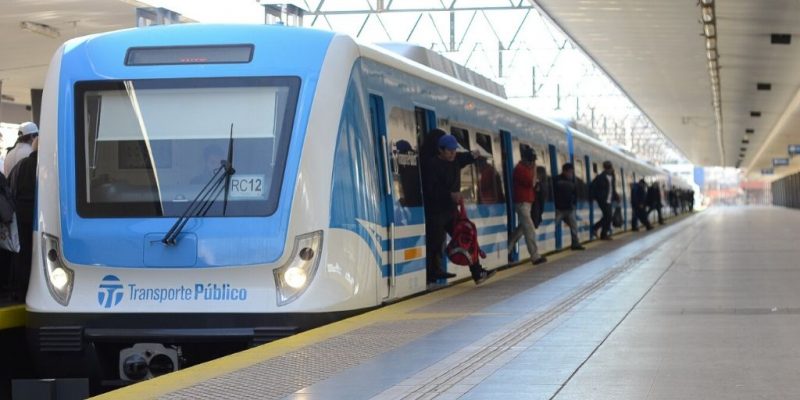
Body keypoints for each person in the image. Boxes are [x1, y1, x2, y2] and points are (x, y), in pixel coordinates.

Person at [421, 131, 495, 284]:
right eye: (449, 151)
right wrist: (450, 195)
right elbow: (431, 189)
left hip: (451, 211)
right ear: (440, 150)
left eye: (454, 150)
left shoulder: (455, 160)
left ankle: (477, 272)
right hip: (436, 211)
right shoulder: (432, 165)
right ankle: (432, 273)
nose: (453, 154)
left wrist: (473, 155)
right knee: (435, 242)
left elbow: (465, 157)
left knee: (467, 237)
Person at [8, 137, 38, 302]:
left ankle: (21, 290)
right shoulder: (44, 165)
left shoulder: (20, 164)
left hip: (20, 215)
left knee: (22, 253)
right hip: (36, 214)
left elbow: (10, 186)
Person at [508, 147, 546, 265]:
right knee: (529, 229)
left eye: (533, 160)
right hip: (522, 203)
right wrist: (534, 169)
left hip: (528, 202)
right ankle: (535, 256)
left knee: (522, 229)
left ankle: (507, 248)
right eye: (530, 160)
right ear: (524, 159)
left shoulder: (527, 169)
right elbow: (531, 182)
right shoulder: (520, 169)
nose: (532, 163)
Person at [552, 163, 585, 250]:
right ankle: (548, 243)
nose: (571, 174)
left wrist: (573, 205)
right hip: (559, 209)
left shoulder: (573, 181)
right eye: (569, 172)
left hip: (569, 208)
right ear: (564, 171)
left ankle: (575, 243)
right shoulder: (556, 180)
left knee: (574, 226)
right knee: (553, 225)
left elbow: (575, 194)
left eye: (572, 172)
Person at [591, 161, 617, 240]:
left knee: (608, 216)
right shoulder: (600, 177)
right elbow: (593, 187)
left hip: (609, 200)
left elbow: (612, 188)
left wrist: (616, 196)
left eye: (610, 167)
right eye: (608, 168)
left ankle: (600, 231)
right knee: (608, 216)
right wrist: (598, 197)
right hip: (603, 200)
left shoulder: (612, 177)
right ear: (605, 168)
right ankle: (600, 231)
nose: (609, 169)